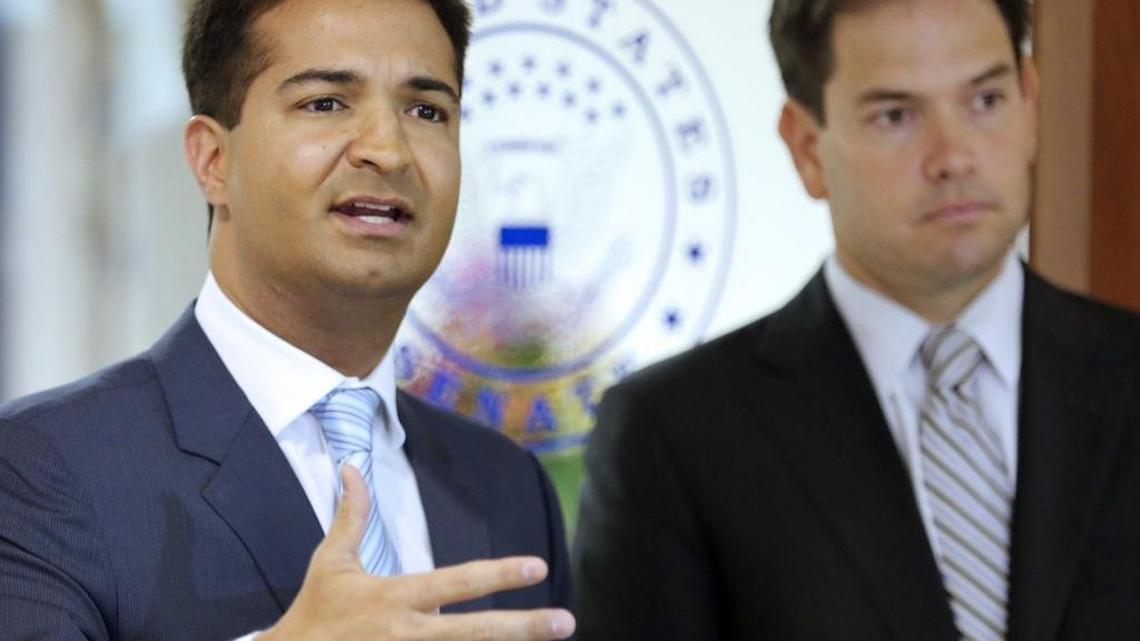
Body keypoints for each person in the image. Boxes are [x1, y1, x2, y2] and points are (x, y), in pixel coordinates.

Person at [0, 1, 577, 640]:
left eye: (426, 111)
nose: (389, 150)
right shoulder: (39, 467)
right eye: (326, 103)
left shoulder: (505, 484)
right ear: (212, 160)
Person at [573, 0, 1140, 639]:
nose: (953, 157)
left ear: (1030, 98)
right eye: (895, 116)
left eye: (985, 101)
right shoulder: (674, 433)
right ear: (807, 148)